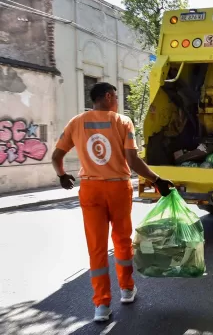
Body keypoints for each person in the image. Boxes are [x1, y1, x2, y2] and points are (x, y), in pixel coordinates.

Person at [51, 82, 174, 322]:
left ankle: (101, 306)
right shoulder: (122, 121)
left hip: (90, 190)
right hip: (118, 187)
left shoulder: (76, 122)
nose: (117, 101)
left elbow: (57, 156)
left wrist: (62, 175)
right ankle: (127, 290)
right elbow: (132, 160)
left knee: (96, 247)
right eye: (116, 97)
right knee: (121, 240)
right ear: (108, 97)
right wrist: (156, 180)